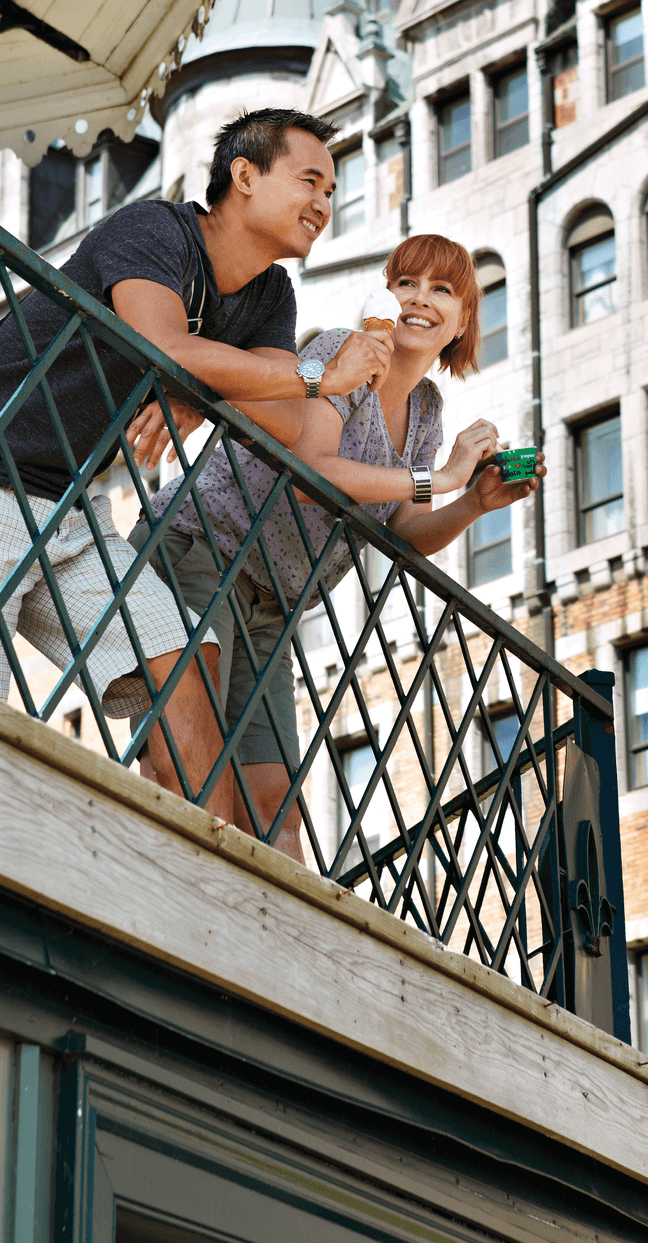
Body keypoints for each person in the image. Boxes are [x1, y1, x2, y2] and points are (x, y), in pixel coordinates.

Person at [0, 107, 393, 825]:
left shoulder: (269, 294)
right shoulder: (154, 230)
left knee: (185, 658)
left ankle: (206, 892)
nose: (323, 203)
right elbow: (169, 347)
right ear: (244, 175)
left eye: (332, 190)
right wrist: (307, 377)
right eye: (310, 180)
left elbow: (278, 424)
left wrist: (209, 392)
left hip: (71, 505)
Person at [129, 233, 543, 864]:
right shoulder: (340, 356)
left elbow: (402, 527)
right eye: (407, 282)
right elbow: (314, 475)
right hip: (202, 550)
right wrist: (445, 478)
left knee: (276, 813)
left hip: (274, 605)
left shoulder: (427, 409)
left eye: (442, 290)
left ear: (461, 324)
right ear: (386, 294)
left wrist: (474, 503)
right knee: (189, 772)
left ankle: (265, 952)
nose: (419, 299)